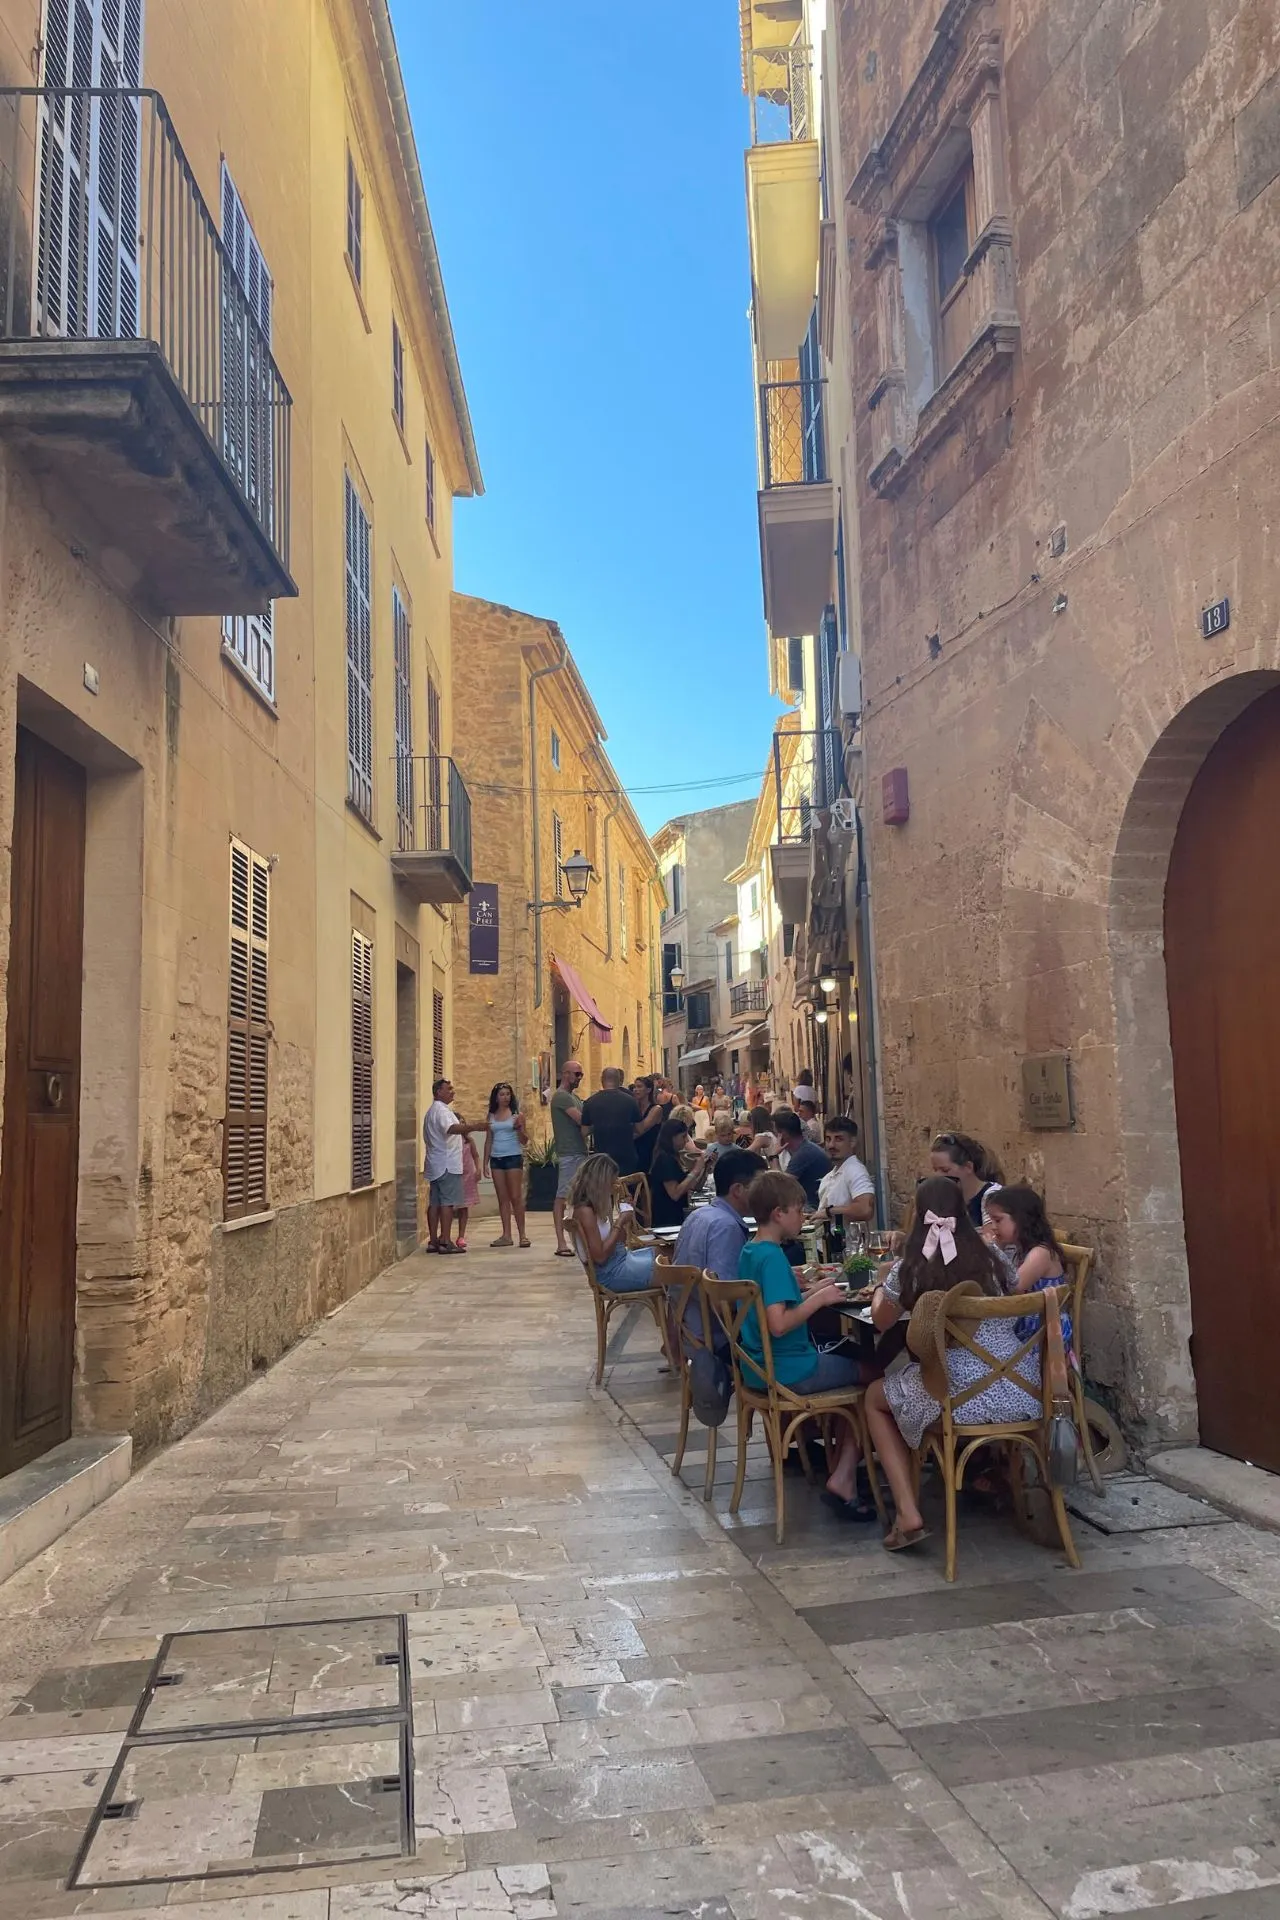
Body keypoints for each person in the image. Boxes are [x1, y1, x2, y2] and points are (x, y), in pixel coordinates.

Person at [863, 1176, 1040, 1551]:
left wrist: (882, 1288)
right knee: (916, 1382)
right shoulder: (993, 1257)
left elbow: (881, 1321)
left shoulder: (911, 1266)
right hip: (1020, 1390)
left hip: (957, 1398)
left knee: (875, 1399)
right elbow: (1014, 1292)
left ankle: (908, 1512)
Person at [739, 1171, 875, 1517]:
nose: (804, 1216)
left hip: (757, 1368)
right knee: (874, 1378)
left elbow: (774, 1303)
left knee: (854, 1360)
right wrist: (820, 1300)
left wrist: (813, 1291)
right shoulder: (772, 1259)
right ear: (778, 1213)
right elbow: (779, 1324)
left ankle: (841, 1462)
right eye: (799, 1210)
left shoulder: (751, 1252)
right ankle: (845, 1475)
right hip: (790, 1368)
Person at [984, 1184, 1072, 1344]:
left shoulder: (1040, 1253)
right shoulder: (1020, 1249)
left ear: (1021, 1219)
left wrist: (995, 1251)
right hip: (1025, 1324)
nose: (994, 1227)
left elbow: (1015, 1286)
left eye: (998, 1220)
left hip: (1043, 1332)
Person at [673, 1148, 767, 1281]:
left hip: (685, 1300)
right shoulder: (726, 1227)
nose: (764, 1193)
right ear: (738, 1190)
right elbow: (726, 1289)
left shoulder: (697, 1215)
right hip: (706, 1301)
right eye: (760, 1186)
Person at [569, 1153, 657, 1293]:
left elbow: (619, 1242)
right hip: (610, 1273)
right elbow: (601, 1257)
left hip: (619, 1259)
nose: (615, 1184)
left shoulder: (596, 1206)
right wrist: (619, 1222)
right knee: (672, 1269)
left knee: (665, 1253)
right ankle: (679, 1312)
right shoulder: (585, 1211)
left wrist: (625, 1216)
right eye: (612, 1180)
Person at [423, 1077, 468, 1254]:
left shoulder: (432, 1111)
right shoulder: (441, 1111)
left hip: (436, 1163)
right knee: (447, 1203)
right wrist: (473, 1127)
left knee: (435, 1203)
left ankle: (434, 1240)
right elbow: (450, 1129)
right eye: (448, 1089)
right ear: (438, 1092)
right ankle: (446, 1240)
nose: (452, 1092)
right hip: (447, 1163)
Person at [484, 1082, 530, 1249]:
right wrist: (485, 1163)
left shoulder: (517, 1115)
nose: (505, 1097)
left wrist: (519, 1129)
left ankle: (523, 1235)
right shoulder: (491, 1116)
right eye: (502, 1094)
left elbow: (525, 1141)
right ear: (496, 1097)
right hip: (496, 1158)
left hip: (513, 1157)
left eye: (507, 1094)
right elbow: (489, 1140)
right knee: (502, 1198)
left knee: (516, 1197)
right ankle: (506, 1235)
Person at [550, 1061, 587, 1259]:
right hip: (569, 1152)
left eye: (581, 1074)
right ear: (565, 1074)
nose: (580, 1078)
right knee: (562, 1197)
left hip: (578, 1151)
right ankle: (561, 1242)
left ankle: (577, 1238)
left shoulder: (574, 1097)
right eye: (577, 1074)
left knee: (578, 1197)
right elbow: (581, 1120)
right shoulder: (562, 1097)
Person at [930, 1132, 1004, 1229]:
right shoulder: (942, 1199)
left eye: (945, 1170)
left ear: (968, 1167)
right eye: (935, 1170)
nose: (938, 1176)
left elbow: (991, 1239)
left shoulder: (992, 1195)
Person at [583, 1067, 644, 1177]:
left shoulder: (590, 1102)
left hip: (602, 1158)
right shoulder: (630, 1101)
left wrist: (598, 1124)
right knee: (626, 1190)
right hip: (626, 1155)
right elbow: (640, 1129)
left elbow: (584, 1131)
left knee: (605, 1190)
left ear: (602, 1080)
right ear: (619, 1080)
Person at [650, 1117, 709, 1229]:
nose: (686, 1141)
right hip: (668, 1219)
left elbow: (695, 1186)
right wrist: (696, 1169)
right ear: (672, 1137)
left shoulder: (675, 1156)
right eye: (683, 1137)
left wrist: (705, 1167)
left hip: (680, 1214)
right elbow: (675, 1194)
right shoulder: (664, 1159)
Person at [818, 1117, 876, 1225]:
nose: (831, 1145)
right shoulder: (830, 1176)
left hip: (848, 1241)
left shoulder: (855, 1170)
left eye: (838, 1139)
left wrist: (829, 1212)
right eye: (828, 1139)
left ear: (852, 1142)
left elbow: (865, 1209)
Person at [774, 1109, 830, 1209]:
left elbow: (779, 1187)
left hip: (813, 1209)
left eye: (776, 1133)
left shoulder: (803, 1154)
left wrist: (773, 1156)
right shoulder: (805, 1148)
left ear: (782, 1134)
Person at [454, 1131, 481, 1251]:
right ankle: (445, 1234)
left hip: (467, 1175)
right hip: (454, 1175)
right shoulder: (450, 1141)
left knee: (464, 1207)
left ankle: (461, 1236)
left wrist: (478, 1169)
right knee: (448, 1206)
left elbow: (475, 1155)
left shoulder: (469, 1141)